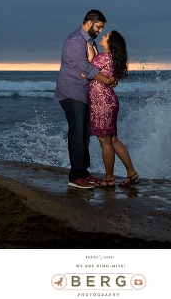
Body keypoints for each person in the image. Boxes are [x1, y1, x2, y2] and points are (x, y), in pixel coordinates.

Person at [53, 10, 118, 189]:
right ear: (89, 23)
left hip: (83, 92)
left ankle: (83, 172)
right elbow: (86, 68)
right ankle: (75, 177)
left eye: (101, 28)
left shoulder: (90, 42)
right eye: (98, 27)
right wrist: (107, 81)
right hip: (71, 91)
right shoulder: (76, 40)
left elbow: (93, 66)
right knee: (77, 133)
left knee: (84, 133)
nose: (99, 31)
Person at [86, 30, 139, 188]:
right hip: (110, 101)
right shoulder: (111, 59)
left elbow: (86, 73)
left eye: (106, 36)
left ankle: (109, 179)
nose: (102, 37)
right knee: (113, 140)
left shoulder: (103, 58)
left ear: (111, 43)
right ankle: (131, 172)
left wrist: (90, 58)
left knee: (106, 143)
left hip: (101, 103)